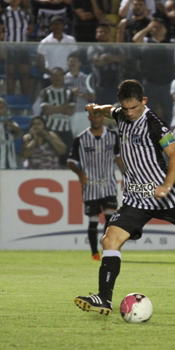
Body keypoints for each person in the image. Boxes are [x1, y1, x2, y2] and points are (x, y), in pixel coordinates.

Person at [74, 80, 175, 315]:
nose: (130, 113)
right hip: (137, 197)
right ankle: (104, 298)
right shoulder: (121, 114)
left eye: (134, 108)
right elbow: (107, 111)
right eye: (125, 108)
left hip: (165, 196)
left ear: (144, 101)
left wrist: (166, 186)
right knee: (110, 241)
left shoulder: (156, 125)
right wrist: (95, 108)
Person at [67, 110, 122, 259]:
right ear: (88, 117)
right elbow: (71, 161)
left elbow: (118, 158)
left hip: (108, 183)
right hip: (90, 185)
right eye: (93, 115)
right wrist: (79, 174)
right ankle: (94, 253)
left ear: (103, 117)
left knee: (111, 219)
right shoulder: (81, 138)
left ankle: (106, 249)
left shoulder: (112, 136)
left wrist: (126, 176)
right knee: (93, 220)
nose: (96, 118)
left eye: (98, 115)